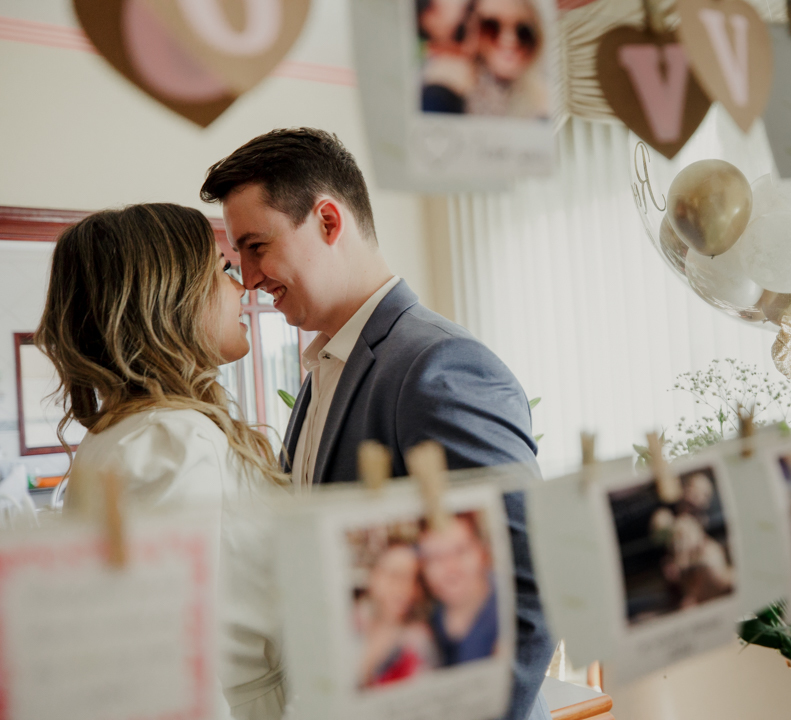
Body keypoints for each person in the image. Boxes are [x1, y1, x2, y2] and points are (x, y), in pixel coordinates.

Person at [200, 128, 553, 720]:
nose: (252, 277)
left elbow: (527, 587)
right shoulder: (321, 372)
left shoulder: (438, 365)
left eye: (257, 246)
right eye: (240, 258)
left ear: (329, 222)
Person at [36, 204, 289, 720]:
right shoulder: (172, 439)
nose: (243, 286)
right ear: (169, 298)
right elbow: (167, 657)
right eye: (222, 270)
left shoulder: (130, 432)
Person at [354, 542, 438, 687]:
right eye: (395, 575)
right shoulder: (347, 622)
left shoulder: (419, 644)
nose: (407, 589)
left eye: (414, 578)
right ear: (373, 577)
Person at [419, 514, 499, 664]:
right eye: (435, 557)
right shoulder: (429, 617)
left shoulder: (515, 609)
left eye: (460, 551)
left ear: (483, 552)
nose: (450, 569)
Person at [467, 0, 547, 118]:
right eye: (492, 26)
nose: (508, 40)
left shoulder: (547, 103)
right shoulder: (452, 92)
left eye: (523, 31)